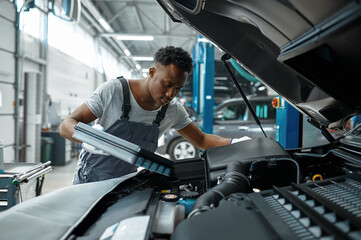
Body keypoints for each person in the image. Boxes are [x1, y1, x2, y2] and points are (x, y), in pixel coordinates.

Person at [59, 46, 234, 184]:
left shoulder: (172, 110)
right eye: (167, 84)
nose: (171, 94)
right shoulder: (114, 91)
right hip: (91, 178)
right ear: (151, 72)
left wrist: (236, 143)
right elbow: (66, 124)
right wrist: (88, 137)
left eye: (178, 88)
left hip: (126, 182)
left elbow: (202, 140)